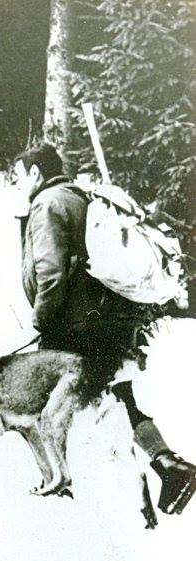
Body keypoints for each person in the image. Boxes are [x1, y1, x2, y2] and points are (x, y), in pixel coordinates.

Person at [15, 142, 196, 514]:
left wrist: (42, 319)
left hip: (76, 323)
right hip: (111, 317)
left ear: (35, 173)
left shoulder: (47, 203)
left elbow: (49, 270)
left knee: (47, 403)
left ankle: (63, 494)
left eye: (19, 177)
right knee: (117, 396)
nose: (19, 185)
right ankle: (165, 466)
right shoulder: (83, 195)